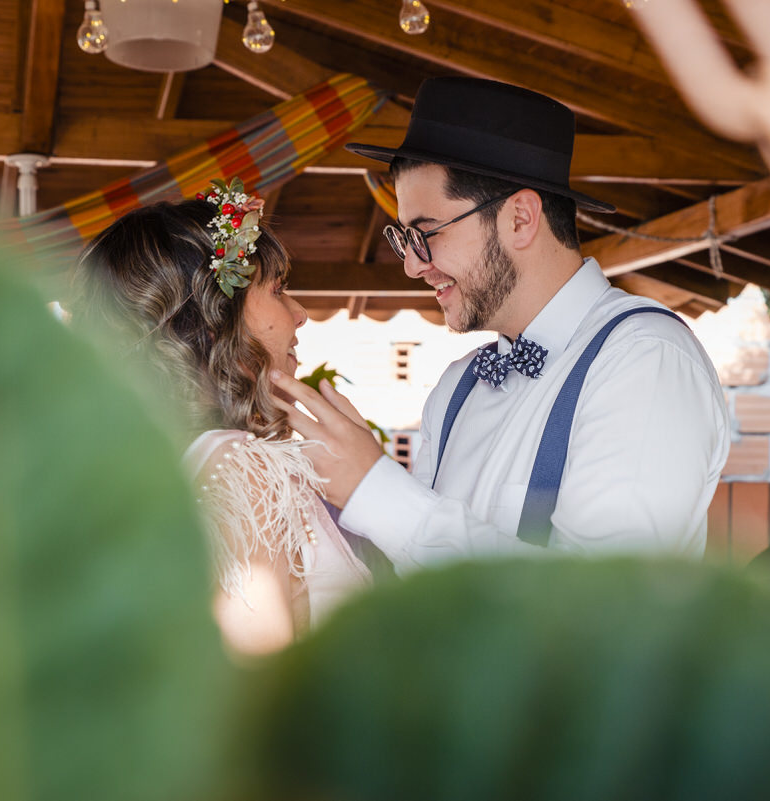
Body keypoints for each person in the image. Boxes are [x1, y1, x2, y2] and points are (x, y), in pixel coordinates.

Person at [271, 77, 730, 571]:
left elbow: (607, 609)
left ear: (520, 219)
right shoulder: (455, 388)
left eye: (425, 234)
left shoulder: (646, 361)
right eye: (404, 239)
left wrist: (378, 490)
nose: (412, 265)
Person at [71, 181, 372, 656]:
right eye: (278, 290)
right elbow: (256, 691)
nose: (300, 315)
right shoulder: (241, 468)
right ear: (215, 318)